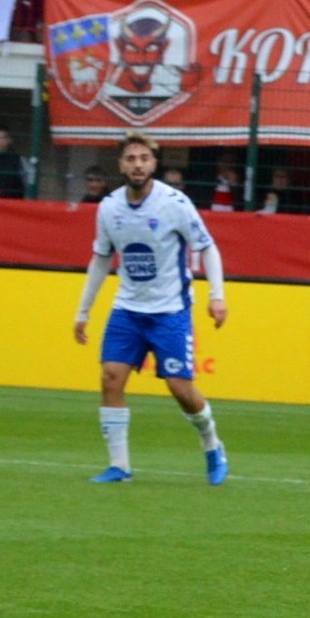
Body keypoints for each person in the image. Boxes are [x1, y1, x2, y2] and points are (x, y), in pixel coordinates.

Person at [75, 134, 230, 486]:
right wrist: (83, 312)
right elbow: (101, 258)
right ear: (121, 165)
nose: (138, 165)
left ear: (154, 164)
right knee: (110, 378)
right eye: (131, 158)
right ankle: (120, 466)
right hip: (127, 309)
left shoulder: (174, 203)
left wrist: (217, 296)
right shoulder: (109, 207)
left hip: (170, 311)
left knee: (180, 388)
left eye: (144, 158)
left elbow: (207, 247)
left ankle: (212, 444)